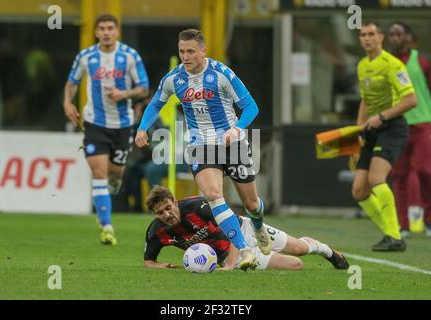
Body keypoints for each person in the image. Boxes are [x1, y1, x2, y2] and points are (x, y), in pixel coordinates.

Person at [135, 29, 271, 271]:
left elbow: (251, 106)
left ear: (203, 51)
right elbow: (155, 103)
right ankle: (247, 250)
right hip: (200, 145)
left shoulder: (221, 74)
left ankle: (258, 226)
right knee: (212, 194)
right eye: (181, 51)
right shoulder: (174, 79)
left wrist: (237, 129)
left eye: (190, 51)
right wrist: (142, 128)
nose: (185, 56)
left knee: (251, 204)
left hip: (233, 143)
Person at [63, 14, 149, 245]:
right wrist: (67, 102)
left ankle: (112, 189)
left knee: (115, 175)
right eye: (102, 28)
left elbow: (143, 88)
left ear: (117, 31)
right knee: (99, 172)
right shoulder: (86, 56)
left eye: (111, 28)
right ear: (96, 32)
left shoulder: (130, 57)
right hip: (94, 123)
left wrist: (124, 94)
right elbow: (72, 82)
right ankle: (107, 226)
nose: (106, 32)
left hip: (122, 124)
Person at [143, 185, 349, 271]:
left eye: (168, 208)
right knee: (296, 265)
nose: (167, 215)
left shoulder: (199, 207)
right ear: (155, 215)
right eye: (160, 213)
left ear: (175, 202)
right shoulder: (156, 232)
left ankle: (325, 250)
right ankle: (251, 258)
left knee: (300, 249)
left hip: (246, 230)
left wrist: (230, 265)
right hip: (228, 255)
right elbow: (148, 261)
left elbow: (236, 226)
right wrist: (159, 265)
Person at [352, 22, 417, 251]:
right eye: (363, 35)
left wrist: (382, 116)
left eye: (371, 34)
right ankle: (391, 233)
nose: (367, 38)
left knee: (376, 178)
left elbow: (411, 100)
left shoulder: (393, 64)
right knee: (359, 190)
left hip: (392, 127)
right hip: (371, 129)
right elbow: (365, 100)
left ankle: (394, 236)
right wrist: (359, 130)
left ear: (381, 37)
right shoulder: (362, 65)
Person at [388, 21, 431, 237]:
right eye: (392, 34)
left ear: (409, 38)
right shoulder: (386, 63)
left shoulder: (422, 61)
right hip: (397, 124)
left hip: (422, 122)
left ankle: (428, 220)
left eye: (399, 33)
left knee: (425, 171)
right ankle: (403, 225)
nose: (394, 37)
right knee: (400, 175)